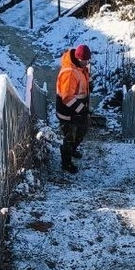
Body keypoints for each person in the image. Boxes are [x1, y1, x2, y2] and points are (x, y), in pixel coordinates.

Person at [55, 43, 91, 174]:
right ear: (77, 58)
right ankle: (66, 163)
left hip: (77, 110)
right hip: (68, 112)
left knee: (82, 130)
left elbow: (82, 83)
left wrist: (89, 84)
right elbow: (66, 97)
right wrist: (81, 109)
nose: (86, 62)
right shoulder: (70, 72)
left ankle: (72, 150)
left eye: (87, 60)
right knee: (69, 137)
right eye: (84, 60)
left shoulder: (81, 68)